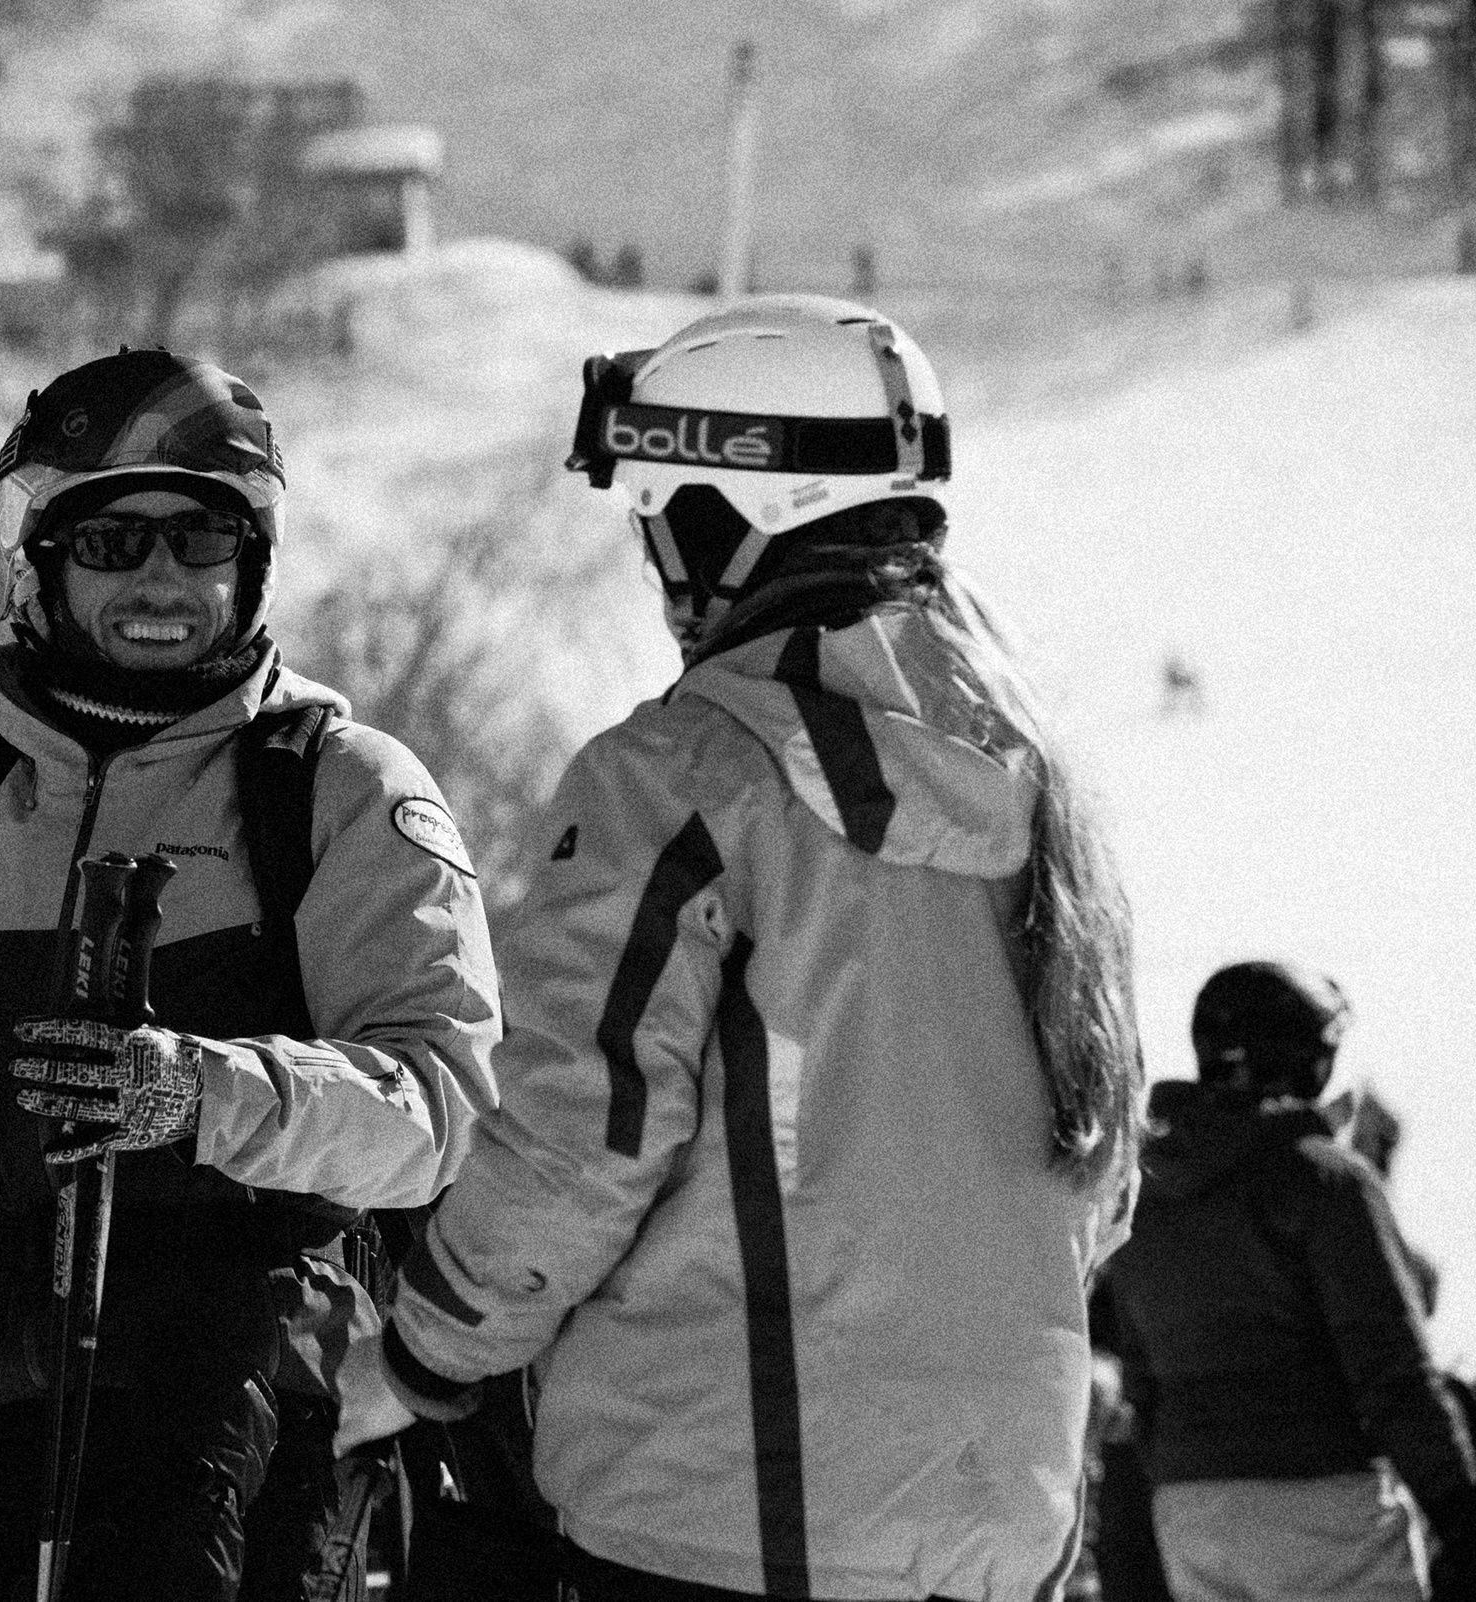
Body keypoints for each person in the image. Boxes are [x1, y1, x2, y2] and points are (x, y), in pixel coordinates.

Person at [373, 294, 1147, 1602]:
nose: (659, 557)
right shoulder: (1041, 783)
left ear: (749, 505)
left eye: (666, 510)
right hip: (997, 1525)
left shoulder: (682, 770)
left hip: (714, 1507)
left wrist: (430, 1339)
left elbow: (580, 1136)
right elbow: (1100, 1172)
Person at [0, 346, 502, 1600]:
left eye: (201, 541)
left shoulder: (333, 791)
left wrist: (198, 1096)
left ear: (251, 561)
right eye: (112, 544)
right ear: (38, 561)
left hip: (244, 1382)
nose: (161, 579)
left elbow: (437, 1109)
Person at [1102, 962, 1476, 1602]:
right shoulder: (1326, 1179)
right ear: (1306, 1058)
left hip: (1192, 1511)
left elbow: (1139, 1378)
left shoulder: (1145, 1192)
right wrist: (1461, 1518)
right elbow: (1392, 1373)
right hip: (1323, 1502)